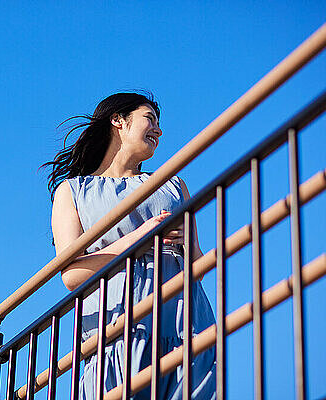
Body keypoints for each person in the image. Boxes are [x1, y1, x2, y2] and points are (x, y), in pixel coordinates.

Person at [41, 92, 216, 400]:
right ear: (118, 121)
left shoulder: (174, 185)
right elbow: (71, 275)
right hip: (118, 329)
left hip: (186, 323)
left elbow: (198, 268)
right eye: (150, 119)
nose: (158, 130)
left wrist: (188, 240)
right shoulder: (72, 192)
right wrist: (141, 237)